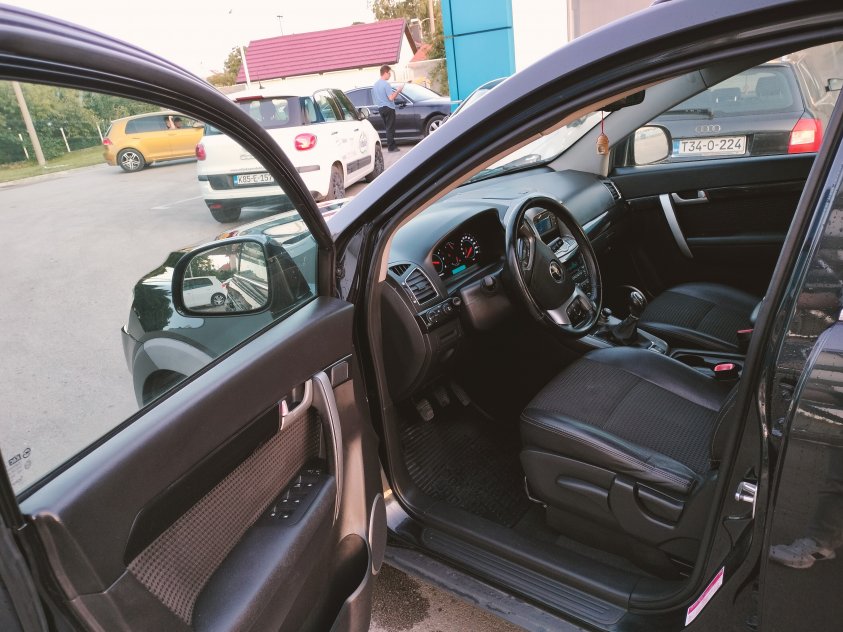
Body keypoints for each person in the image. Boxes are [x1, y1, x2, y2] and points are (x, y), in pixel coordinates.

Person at [373, 65, 406, 152]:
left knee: (388, 128)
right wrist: (398, 90)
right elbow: (391, 98)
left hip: (381, 108)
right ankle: (391, 147)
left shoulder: (375, 85)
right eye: (389, 73)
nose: (390, 75)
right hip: (388, 107)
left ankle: (392, 146)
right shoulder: (386, 84)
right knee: (390, 128)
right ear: (385, 73)